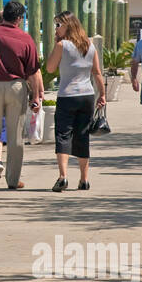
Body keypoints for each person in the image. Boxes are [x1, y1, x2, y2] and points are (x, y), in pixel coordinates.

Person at [0, 0, 43, 190]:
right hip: (16, 87)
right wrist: (35, 97)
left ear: (3, 15)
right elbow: (33, 73)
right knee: (15, 135)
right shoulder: (25, 38)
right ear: (19, 19)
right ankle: (12, 180)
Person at [45, 10, 104, 192]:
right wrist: (102, 94)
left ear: (67, 26)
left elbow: (50, 67)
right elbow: (97, 72)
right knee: (82, 136)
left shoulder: (62, 45)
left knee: (63, 134)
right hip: (87, 95)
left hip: (67, 95)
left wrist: (56, 46)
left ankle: (63, 177)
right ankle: (84, 179)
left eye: (58, 25)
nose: (56, 29)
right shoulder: (89, 45)